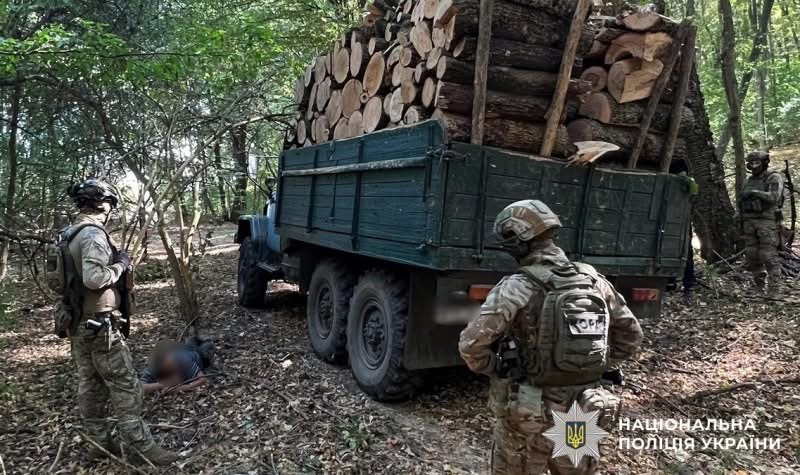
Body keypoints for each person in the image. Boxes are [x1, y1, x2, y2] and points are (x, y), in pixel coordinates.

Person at [458, 200, 643, 475]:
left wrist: (499, 369)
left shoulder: (517, 287)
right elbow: (631, 336)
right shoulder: (594, 281)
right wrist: (589, 367)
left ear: (517, 241)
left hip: (528, 411)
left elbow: (471, 345)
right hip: (582, 407)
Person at [63, 179, 179, 465]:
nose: (110, 212)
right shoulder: (91, 234)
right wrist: (121, 265)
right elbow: (93, 278)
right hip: (99, 326)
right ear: (104, 205)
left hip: (78, 321)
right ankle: (141, 447)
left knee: (90, 384)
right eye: (110, 206)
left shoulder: (67, 233)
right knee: (125, 384)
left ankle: (99, 444)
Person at [738, 151, 786, 297]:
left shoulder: (774, 177)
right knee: (752, 255)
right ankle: (758, 287)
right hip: (749, 221)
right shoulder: (748, 180)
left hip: (766, 221)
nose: (754, 166)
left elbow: (774, 197)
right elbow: (742, 201)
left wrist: (755, 192)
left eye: (757, 163)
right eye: (751, 163)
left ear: (764, 162)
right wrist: (739, 214)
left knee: (768, 256)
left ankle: (774, 290)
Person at [141, 337, 214, 395]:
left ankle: (206, 339)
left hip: (198, 356)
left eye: (172, 362)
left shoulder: (182, 360)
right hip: (184, 351)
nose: (175, 365)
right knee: (190, 345)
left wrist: (182, 388)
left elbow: (203, 380)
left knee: (206, 348)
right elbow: (141, 388)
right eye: (169, 366)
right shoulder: (153, 367)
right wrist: (162, 385)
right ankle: (193, 340)